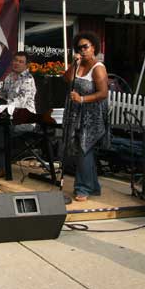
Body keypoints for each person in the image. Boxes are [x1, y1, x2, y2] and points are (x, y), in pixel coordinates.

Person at [63, 31, 109, 202]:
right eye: (79, 47)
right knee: (80, 149)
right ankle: (93, 186)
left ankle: (83, 187)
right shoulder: (78, 64)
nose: (82, 50)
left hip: (91, 115)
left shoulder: (98, 68)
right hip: (75, 113)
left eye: (85, 47)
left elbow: (103, 93)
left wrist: (82, 99)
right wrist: (75, 64)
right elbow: (66, 79)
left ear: (93, 47)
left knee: (84, 149)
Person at [0, 51, 36, 177]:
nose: (17, 63)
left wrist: (4, 105)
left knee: (1, 129)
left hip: (25, 120)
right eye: (15, 60)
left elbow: (21, 102)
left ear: (27, 65)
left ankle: (1, 168)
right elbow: (1, 94)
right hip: (9, 116)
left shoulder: (28, 80)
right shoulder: (9, 77)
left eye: (21, 62)